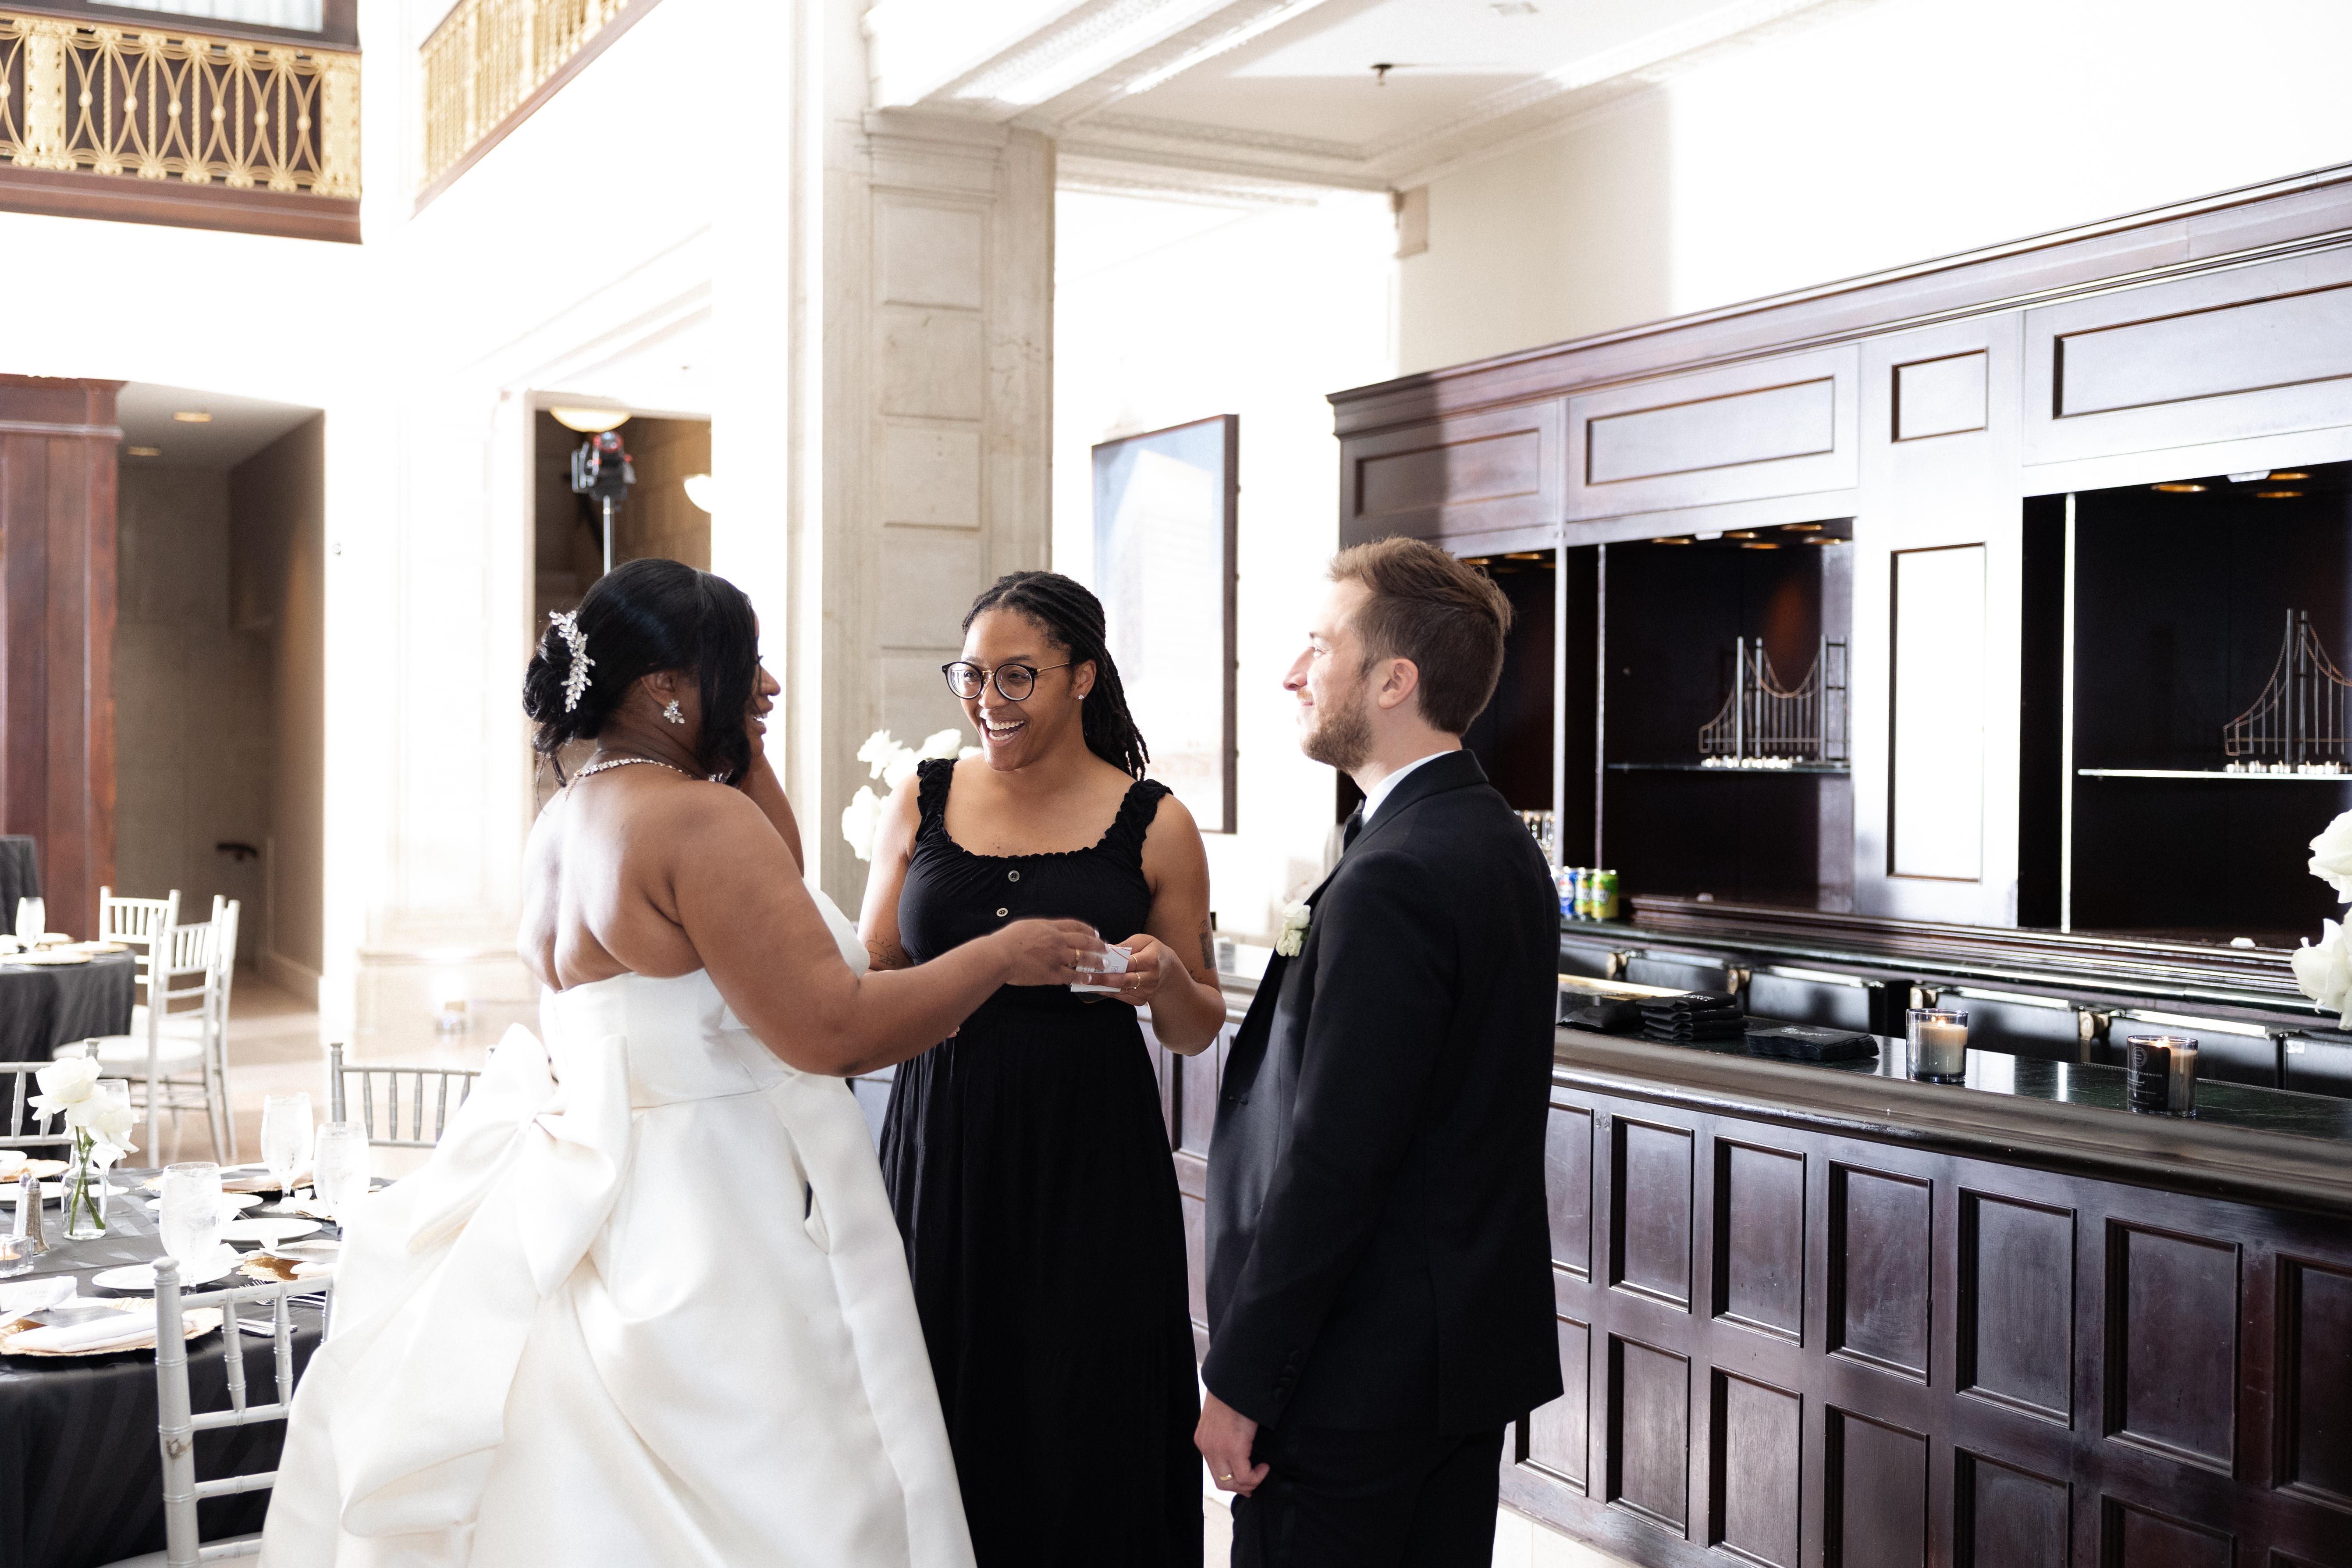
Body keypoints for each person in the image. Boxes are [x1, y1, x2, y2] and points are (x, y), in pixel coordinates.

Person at [261, 558, 1101, 1568]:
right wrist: (999, 956)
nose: (763, 684)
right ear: (668, 683)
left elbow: (778, 880)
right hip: (708, 1212)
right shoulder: (695, 820)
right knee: (793, 1496)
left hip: (604, 1196)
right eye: (741, 665)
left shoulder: (566, 816)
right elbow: (832, 1028)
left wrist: (741, 735)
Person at [1198, 537, 1563, 1567]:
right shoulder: (1486, 837)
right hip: (1446, 1363)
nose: (1292, 673)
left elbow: (1335, 1160)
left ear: (1393, 680)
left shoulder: (1398, 871)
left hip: (1356, 1373)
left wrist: (1244, 1376)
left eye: (1319, 647)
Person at [858, 570, 1226, 1568]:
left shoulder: (1155, 820)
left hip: (1088, 1154)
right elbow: (876, 970)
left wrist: (1162, 979)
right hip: (941, 1137)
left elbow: (1197, 1024)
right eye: (972, 676)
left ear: (1082, 677)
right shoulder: (923, 795)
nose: (989, 700)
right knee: (936, 1390)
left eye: (1016, 675)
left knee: (1083, 1404)